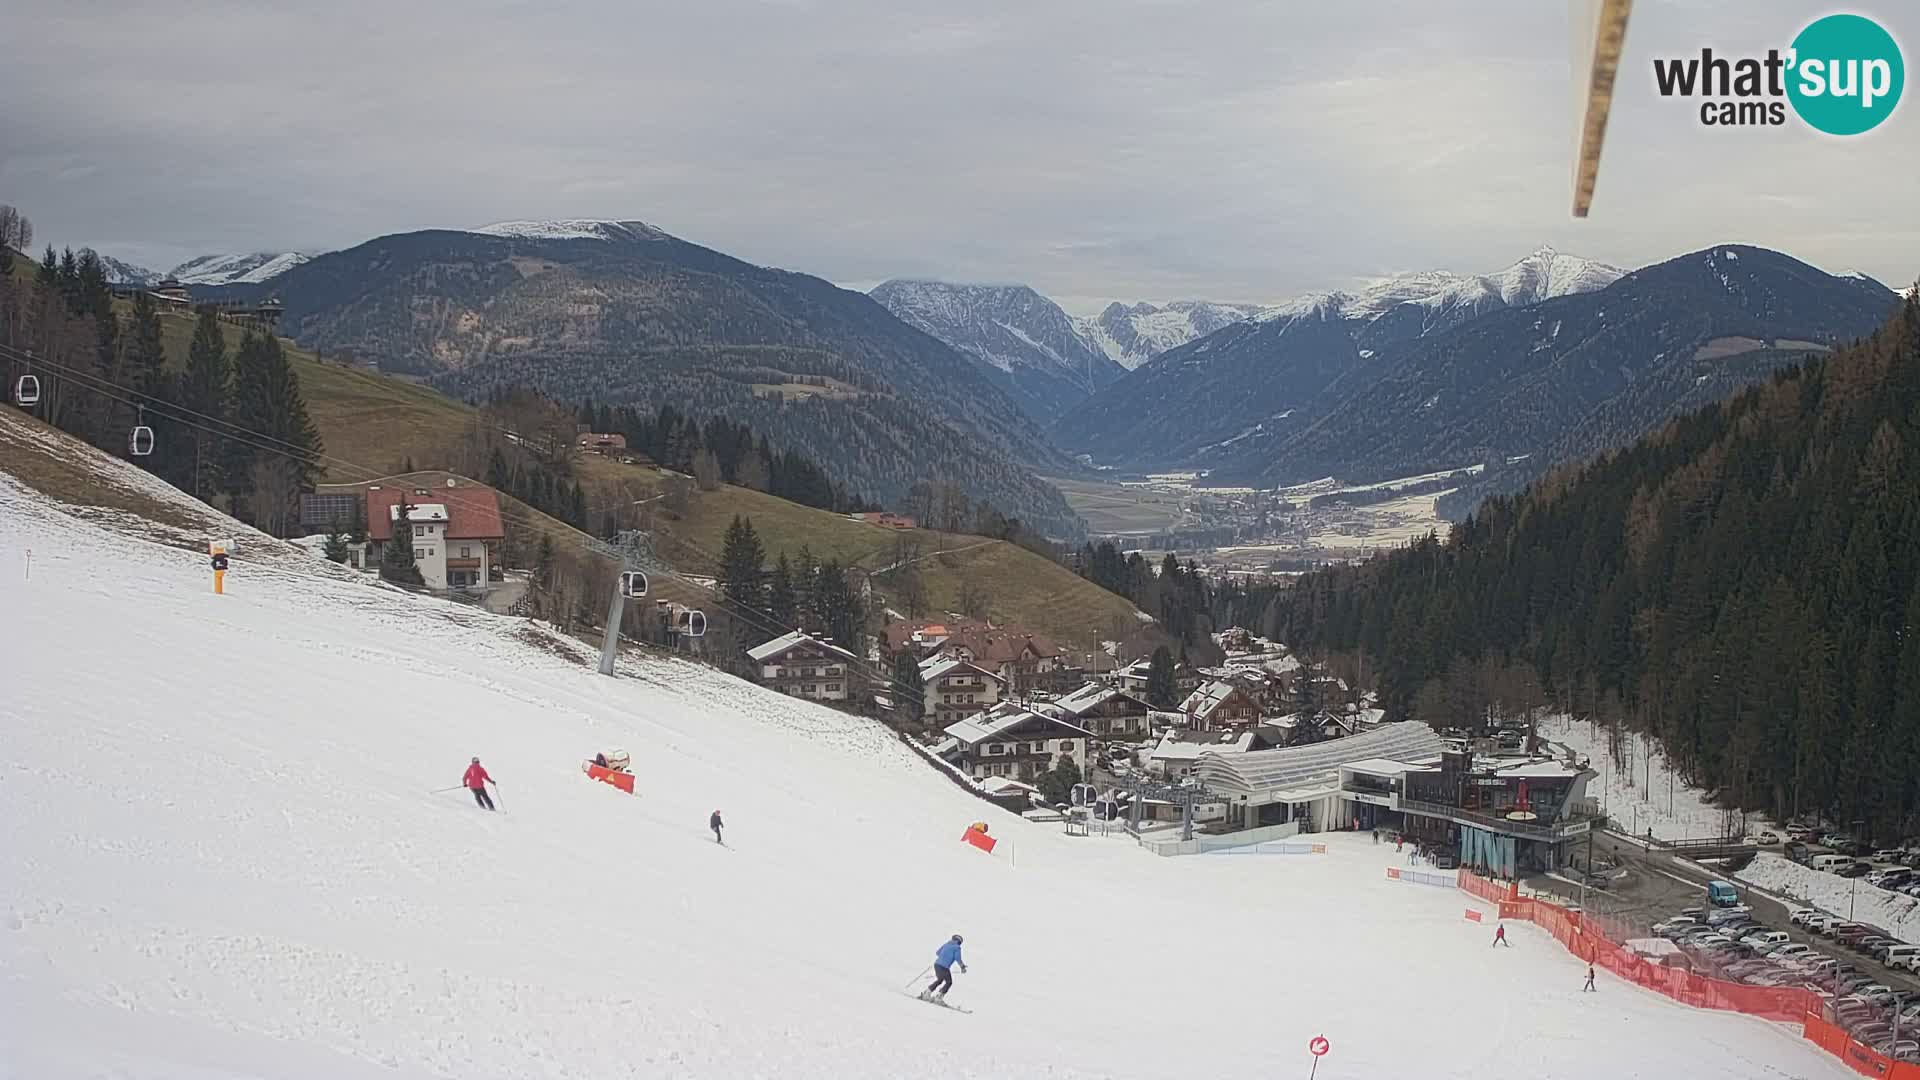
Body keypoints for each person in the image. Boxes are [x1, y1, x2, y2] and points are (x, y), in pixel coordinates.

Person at [919, 934, 967, 1003]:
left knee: (940, 980)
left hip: (937, 965)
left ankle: (927, 993)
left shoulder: (946, 944)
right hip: (944, 967)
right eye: (960, 942)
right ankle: (938, 997)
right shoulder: (957, 948)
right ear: (958, 941)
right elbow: (958, 958)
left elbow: (938, 952)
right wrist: (962, 967)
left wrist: (944, 956)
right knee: (949, 982)